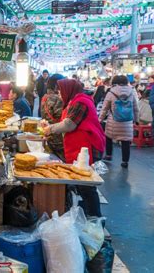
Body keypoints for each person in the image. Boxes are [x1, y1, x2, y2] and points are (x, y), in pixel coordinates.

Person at [43, 79, 105, 217]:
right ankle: (87, 216)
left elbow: (69, 124)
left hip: (87, 147)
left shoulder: (81, 102)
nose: (59, 94)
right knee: (81, 184)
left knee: (86, 185)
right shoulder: (74, 101)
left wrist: (50, 129)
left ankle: (95, 220)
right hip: (79, 147)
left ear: (68, 90)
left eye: (60, 91)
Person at [99, 75, 139, 168]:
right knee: (126, 141)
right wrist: (136, 120)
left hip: (113, 121)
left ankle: (109, 155)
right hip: (127, 122)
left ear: (114, 82)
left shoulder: (111, 92)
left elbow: (104, 108)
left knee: (108, 136)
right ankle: (125, 161)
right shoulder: (132, 92)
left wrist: (100, 119)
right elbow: (136, 108)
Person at [40, 74, 65, 160]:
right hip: (58, 137)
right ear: (56, 85)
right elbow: (63, 118)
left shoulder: (44, 97)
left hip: (48, 134)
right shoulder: (57, 99)